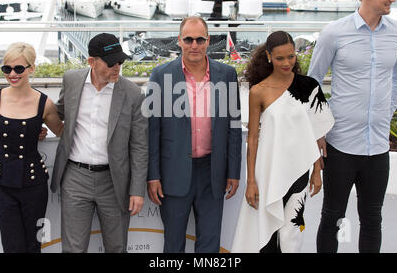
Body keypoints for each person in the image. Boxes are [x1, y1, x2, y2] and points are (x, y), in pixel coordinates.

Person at [308, 0, 397, 253]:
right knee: (332, 216)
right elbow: (312, 82)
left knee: (372, 218)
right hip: (340, 143)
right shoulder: (334, 33)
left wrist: (386, 112)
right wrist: (318, 129)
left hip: (378, 146)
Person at [231, 31, 334, 253]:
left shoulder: (309, 87)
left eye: (291, 56)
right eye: (280, 58)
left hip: (299, 169)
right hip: (268, 170)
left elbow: (315, 132)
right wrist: (251, 181)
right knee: (267, 231)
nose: (287, 63)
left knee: (290, 232)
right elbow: (253, 138)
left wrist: (317, 170)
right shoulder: (258, 91)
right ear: (268, 56)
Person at [146, 16, 242, 253]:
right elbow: (152, 130)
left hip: (213, 172)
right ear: (179, 41)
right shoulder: (160, 76)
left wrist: (233, 171)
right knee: (173, 244)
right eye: (188, 39)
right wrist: (153, 175)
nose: (194, 45)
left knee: (210, 245)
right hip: (173, 172)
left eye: (200, 39)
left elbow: (234, 127)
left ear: (208, 41)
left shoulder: (227, 75)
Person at [50, 33, 148, 253]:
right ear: (91, 62)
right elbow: (58, 112)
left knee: (117, 247)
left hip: (114, 182)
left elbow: (140, 146)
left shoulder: (133, 94)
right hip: (75, 177)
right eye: (111, 62)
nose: (117, 68)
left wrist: (137, 190)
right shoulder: (72, 80)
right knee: (73, 249)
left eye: (120, 62)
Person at [0, 42, 64, 253]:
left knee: (33, 244)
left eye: (19, 69)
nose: (12, 74)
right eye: (7, 69)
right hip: (0, 181)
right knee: (11, 244)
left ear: (31, 69)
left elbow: (62, 133)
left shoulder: (44, 103)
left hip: (33, 183)